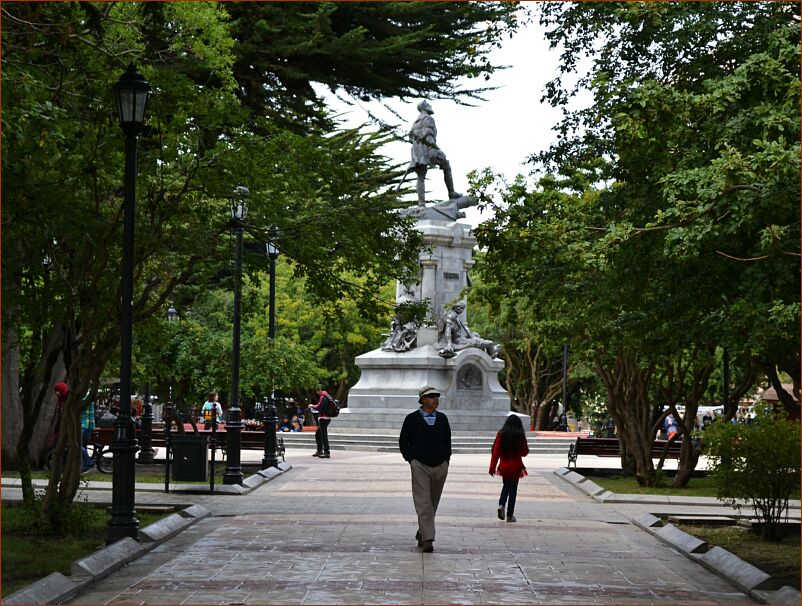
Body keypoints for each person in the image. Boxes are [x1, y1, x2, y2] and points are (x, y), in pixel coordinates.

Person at [398, 385, 452, 553]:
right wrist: (411, 460)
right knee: (423, 502)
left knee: (433, 502)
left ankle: (423, 532)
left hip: (440, 466)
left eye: (437, 396)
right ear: (422, 400)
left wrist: (446, 460)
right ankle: (428, 539)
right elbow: (403, 441)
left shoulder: (442, 419)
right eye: (431, 396)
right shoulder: (412, 419)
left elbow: (447, 441)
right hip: (420, 465)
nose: (435, 399)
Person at [407, 100, 462, 205]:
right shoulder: (429, 118)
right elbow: (429, 134)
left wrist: (418, 141)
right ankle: (451, 193)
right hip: (429, 148)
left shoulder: (416, 122)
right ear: (424, 107)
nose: (430, 106)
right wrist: (433, 147)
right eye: (428, 105)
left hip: (417, 151)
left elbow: (410, 137)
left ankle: (421, 203)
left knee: (421, 176)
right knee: (446, 165)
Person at [489, 415, 529, 523]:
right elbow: (524, 452)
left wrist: (492, 468)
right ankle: (510, 516)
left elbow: (496, 452)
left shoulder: (501, 434)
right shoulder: (520, 435)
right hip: (516, 467)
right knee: (513, 491)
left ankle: (501, 505)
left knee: (506, 486)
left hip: (504, 466)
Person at [311, 387, 335, 458]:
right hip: (327, 418)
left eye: (317, 391)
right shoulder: (328, 396)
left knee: (323, 435)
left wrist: (312, 406)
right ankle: (320, 450)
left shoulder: (323, 397)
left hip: (323, 418)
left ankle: (326, 452)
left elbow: (319, 407)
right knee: (318, 434)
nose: (316, 392)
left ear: (319, 390)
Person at [80, 394, 96, 473]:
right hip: (90, 425)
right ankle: (85, 466)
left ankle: (89, 462)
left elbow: (80, 409)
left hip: (83, 424)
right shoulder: (89, 396)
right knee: (84, 446)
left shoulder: (83, 397)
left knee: (78, 444)